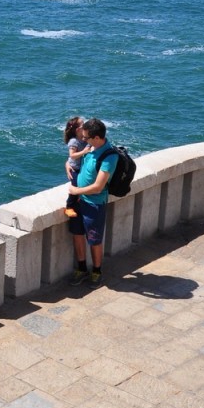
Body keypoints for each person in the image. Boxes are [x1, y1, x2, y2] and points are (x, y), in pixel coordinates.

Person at [66, 117, 117, 287]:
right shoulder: (91, 147)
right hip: (79, 201)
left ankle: (96, 271)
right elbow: (75, 159)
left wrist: (76, 191)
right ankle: (81, 268)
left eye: (86, 137)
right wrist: (68, 164)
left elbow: (98, 186)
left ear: (96, 137)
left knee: (94, 239)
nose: (83, 139)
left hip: (94, 203)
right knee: (77, 234)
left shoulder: (109, 156)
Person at [63, 116, 90, 218]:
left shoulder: (83, 139)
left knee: (80, 185)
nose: (86, 125)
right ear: (78, 129)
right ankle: (69, 207)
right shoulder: (74, 141)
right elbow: (72, 155)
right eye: (83, 124)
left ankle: (78, 199)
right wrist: (83, 152)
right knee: (75, 186)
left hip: (81, 167)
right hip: (75, 168)